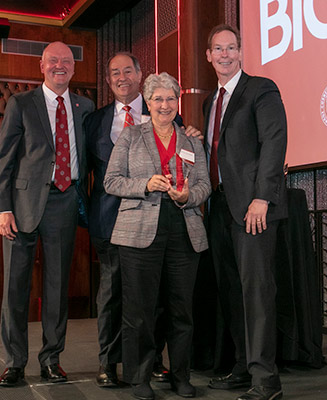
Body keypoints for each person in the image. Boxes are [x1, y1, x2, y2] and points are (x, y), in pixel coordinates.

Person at [0, 41, 94, 387]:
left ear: (74, 68)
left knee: (57, 287)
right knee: (15, 288)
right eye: (53, 61)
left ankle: (52, 359)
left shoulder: (85, 106)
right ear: (41, 65)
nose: (60, 66)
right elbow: (4, 159)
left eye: (66, 61)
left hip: (64, 202)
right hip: (21, 207)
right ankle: (15, 362)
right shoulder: (21, 103)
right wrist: (2, 208)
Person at [104, 72, 211, 400]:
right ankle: (139, 378)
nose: (165, 105)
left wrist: (186, 196)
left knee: (181, 311)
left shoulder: (192, 140)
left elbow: (205, 186)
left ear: (177, 102)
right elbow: (111, 181)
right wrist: (145, 185)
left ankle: (181, 376)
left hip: (183, 228)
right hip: (138, 233)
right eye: (158, 99)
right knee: (140, 311)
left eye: (170, 99)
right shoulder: (130, 137)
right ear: (147, 103)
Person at [203, 25, 288, 400]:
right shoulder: (211, 102)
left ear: (241, 52)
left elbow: (274, 141)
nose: (225, 54)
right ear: (209, 55)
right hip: (219, 207)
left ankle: (266, 380)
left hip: (253, 208)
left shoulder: (261, 88)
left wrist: (262, 198)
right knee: (232, 292)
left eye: (232, 48)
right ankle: (243, 365)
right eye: (218, 49)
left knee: (256, 293)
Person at [85, 52, 178, 387]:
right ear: (108, 80)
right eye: (114, 73)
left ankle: (153, 360)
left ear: (140, 75)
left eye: (127, 70)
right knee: (110, 295)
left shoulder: (163, 110)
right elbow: (86, 176)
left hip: (151, 220)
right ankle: (108, 363)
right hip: (108, 222)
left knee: (152, 295)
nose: (121, 77)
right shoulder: (94, 121)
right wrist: (88, 217)